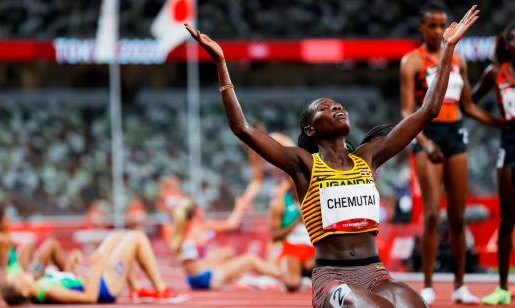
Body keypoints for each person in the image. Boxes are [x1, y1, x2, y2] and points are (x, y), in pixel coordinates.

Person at [185, 4, 478, 306]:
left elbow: (428, 110)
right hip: (333, 277)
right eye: (325, 107)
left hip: (376, 274)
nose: (337, 107)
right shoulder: (303, 164)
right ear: (310, 130)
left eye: (338, 104)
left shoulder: (368, 157)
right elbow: (243, 129)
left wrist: (447, 49)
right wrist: (221, 63)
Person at [399, 2, 500, 304]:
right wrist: (425, 143)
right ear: (422, 28)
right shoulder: (411, 62)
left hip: (456, 134)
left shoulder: (459, 60)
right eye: (432, 25)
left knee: (457, 217)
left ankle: (459, 286)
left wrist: (501, 124)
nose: (439, 30)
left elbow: (468, 106)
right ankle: (428, 285)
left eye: (443, 24)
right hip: (427, 135)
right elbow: (407, 110)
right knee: (431, 213)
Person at [0, 230, 186, 305]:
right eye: (17, 279)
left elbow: (71, 284)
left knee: (115, 237)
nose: (20, 274)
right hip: (106, 287)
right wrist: (96, 266)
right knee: (136, 237)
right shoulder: (48, 291)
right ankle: (161, 289)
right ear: (24, 291)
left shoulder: (41, 285)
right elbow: (89, 298)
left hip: (96, 279)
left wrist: (71, 266)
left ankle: (136, 290)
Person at [472, 23, 515, 305]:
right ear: (505, 43)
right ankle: (502, 287)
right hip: (509, 144)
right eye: (513, 39)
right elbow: (468, 102)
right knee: (507, 219)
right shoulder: (495, 72)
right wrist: (494, 122)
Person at [170, 197, 281, 290]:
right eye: (201, 208)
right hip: (206, 279)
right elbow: (231, 224)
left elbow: (182, 259)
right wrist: (239, 208)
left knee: (227, 252)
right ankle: (282, 275)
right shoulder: (202, 225)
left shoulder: (181, 229)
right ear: (197, 212)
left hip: (192, 281)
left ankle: (246, 279)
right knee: (250, 258)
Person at [0, 206, 72, 295]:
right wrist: (3, 289)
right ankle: (68, 277)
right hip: (20, 278)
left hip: (15, 274)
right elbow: (3, 269)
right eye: (6, 220)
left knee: (28, 245)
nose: (9, 222)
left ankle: (44, 270)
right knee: (51, 245)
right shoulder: (2, 239)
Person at [267, 133, 315, 292]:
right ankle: (300, 276)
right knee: (291, 284)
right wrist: (296, 221)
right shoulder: (281, 202)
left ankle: (308, 274)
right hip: (292, 248)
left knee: (327, 272)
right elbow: (274, 236)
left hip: (314, 249)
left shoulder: (314, 197)